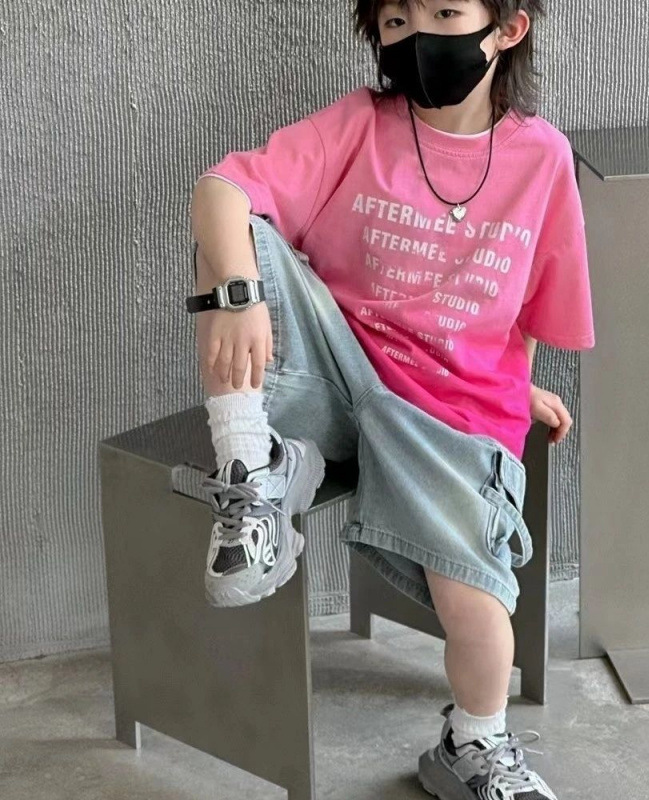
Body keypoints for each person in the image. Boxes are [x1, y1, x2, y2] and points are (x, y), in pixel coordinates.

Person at [187, 1, 594, 797]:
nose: (418, 37)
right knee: (236, 232)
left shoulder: (542, 159)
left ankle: (473, 743)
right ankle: (254, 465)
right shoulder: (359, 126)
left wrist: (514, 389)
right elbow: (221, 189)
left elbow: (529, 309)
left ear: (508, 28)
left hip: (446, 411)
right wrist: (237, 297)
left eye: (444, 11)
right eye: (398, 20)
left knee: (477, 605)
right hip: (340, 369)